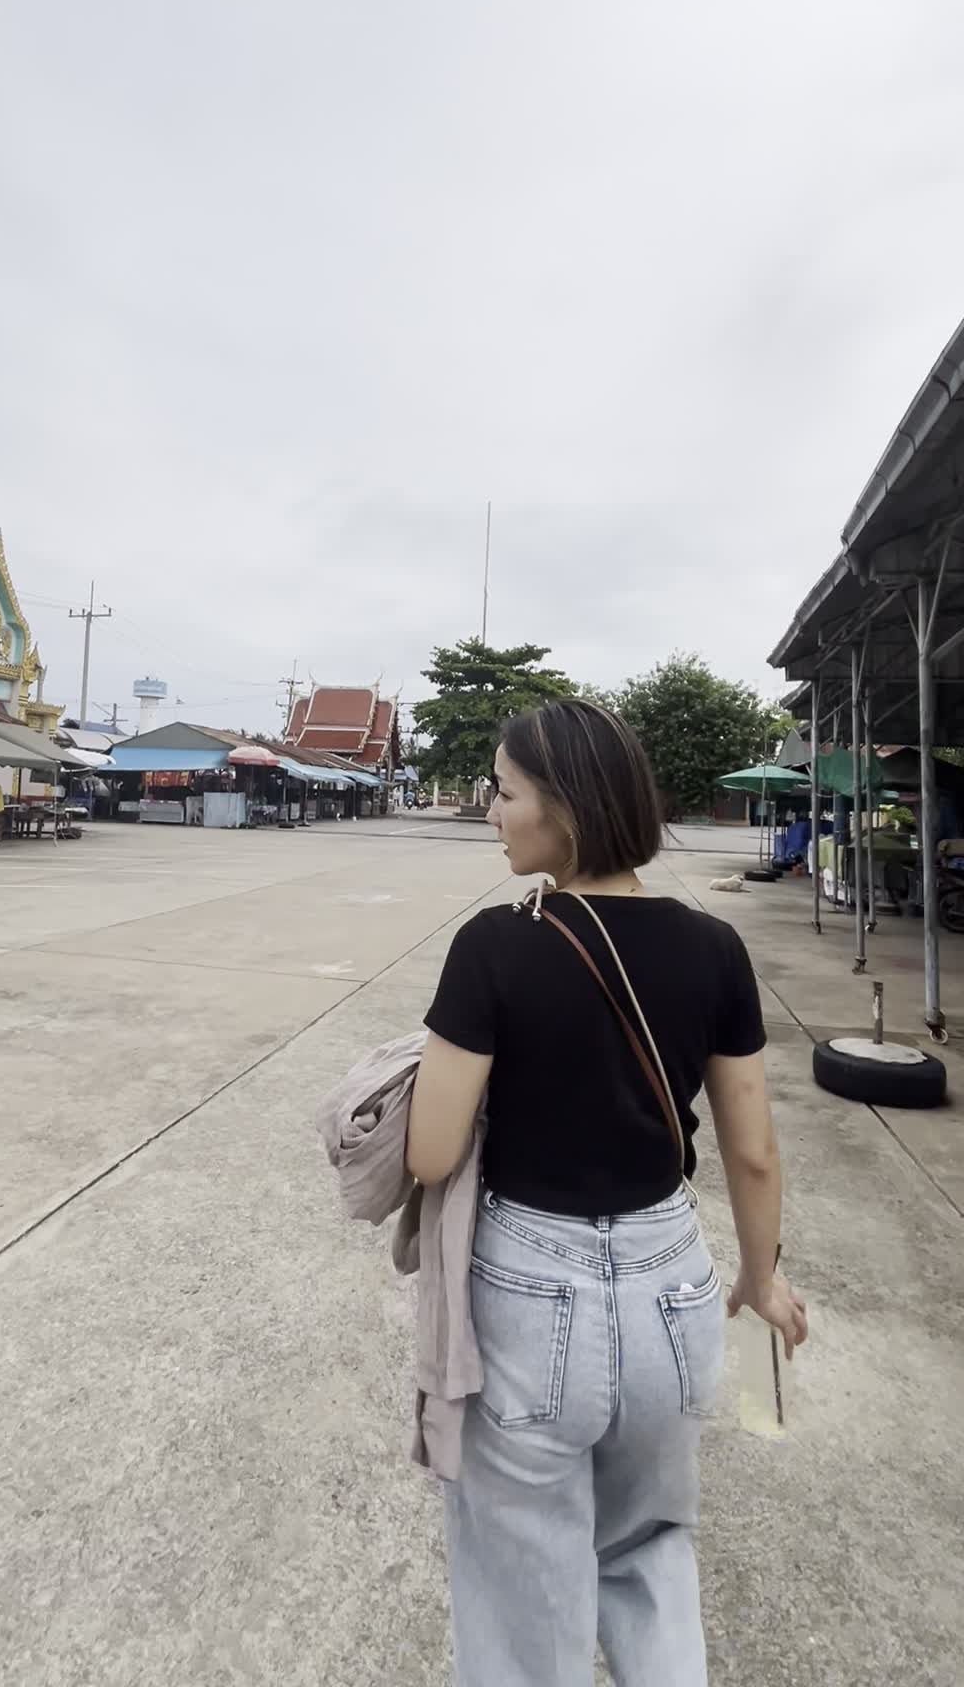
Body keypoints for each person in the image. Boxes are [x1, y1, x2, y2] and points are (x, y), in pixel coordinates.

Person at [407, 699, 807, 1687]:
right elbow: (753, 1153)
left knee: (523, 1582)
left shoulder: (494, 947)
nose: (491, 813)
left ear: (565, 811)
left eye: (504, 793)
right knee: (649, 1554)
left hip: (533, 1293)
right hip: (674, 1284)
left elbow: (428, 1153)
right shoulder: (714, 949)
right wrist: (762, 1281)